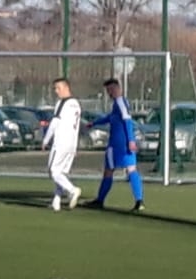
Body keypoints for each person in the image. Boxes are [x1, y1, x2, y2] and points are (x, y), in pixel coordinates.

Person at [83, 78, 144, 212]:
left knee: (110, 171)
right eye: (108, 90)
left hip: (117, 144)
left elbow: (127, 120)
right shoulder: (119, 103)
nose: (109, 93)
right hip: (122, 143)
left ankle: (100, 200)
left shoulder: (120, 101)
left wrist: (130, 140)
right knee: (130, 169)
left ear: (118, 88)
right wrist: (94, 123)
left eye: (111, 90)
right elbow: (110, 117)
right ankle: (139, 201)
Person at [43, 77, 83, 211]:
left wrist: (46, 139)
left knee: (54, 172)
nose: (56, 91)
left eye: (58, 88)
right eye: (55, 88)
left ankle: (72, 190)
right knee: (61, 173)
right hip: (71, 143)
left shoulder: (63, 102)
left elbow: (55, 122)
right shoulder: (76, 104)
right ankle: (56, 201)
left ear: (67, 88)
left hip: (60, 142)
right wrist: (75, 146)